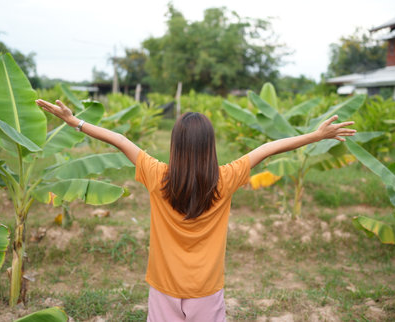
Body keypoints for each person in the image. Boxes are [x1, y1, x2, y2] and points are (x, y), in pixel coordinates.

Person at [35, 99, 355, 321]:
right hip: (206, 290)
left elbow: (120, 140)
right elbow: (268, 149)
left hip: (163, 287)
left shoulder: (157, 175)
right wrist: (316, 135)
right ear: (210, 147)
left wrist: (74, 121)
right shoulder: (225, 179)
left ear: (175, 145)